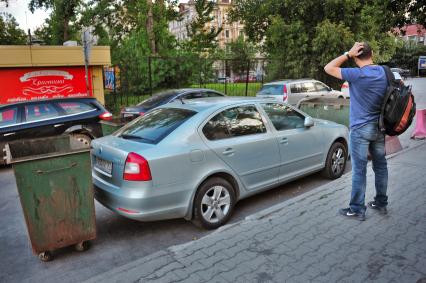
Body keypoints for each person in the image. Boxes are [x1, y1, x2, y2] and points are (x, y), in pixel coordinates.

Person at [324, 42, 389, 221]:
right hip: (380, 126)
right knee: (381, 166)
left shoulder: (357, 74)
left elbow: (328, 68)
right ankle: (381, 202)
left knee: (359, 170)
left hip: (360, 129)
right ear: (372, 53)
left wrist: (347, 53)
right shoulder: (384, 72)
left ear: (356, 56)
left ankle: (357, 209)